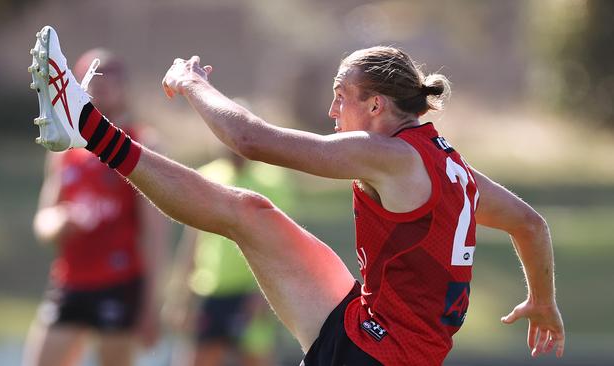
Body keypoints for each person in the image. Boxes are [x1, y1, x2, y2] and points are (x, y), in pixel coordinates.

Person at [28, 25, 565, 365]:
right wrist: (543, 302)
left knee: (243, 214)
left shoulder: (390, 155)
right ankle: (85, 125)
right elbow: (531, 224)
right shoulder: (452, 168)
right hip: (373, 328)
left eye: (341, 98)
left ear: (376, 106)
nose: (333, 113)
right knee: (248, 211)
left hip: (372, 354)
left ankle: (86, 126)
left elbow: (251, 140)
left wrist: (191, 81)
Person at [23, 47, 169, 366]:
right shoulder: (64, 148)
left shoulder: (140, 142)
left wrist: (150, 305)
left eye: (110, 73)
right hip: (70, 281)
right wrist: (57, 224)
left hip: (118, 283)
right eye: (91, 74)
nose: (100, 80)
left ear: (124, 87)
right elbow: (44, 219)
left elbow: (155, 234)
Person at [166, 151, 288, 366]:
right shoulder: (206, 177)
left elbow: (281, 243)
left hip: (251, 290)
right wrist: (181, 297)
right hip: (209, 290)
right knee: (198, 359)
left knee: (255, 358)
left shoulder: (273, 180)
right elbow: (192, 241)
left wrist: (266, 293)